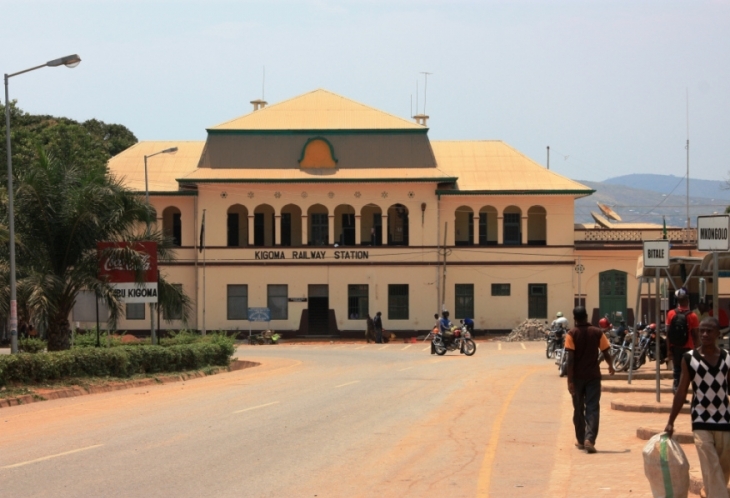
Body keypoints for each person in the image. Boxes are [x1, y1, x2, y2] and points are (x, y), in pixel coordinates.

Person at [666, 317, 730, 497]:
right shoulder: (690, 359)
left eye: (709, 331)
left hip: (724, 419)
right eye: (702, 330)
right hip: (701, 419)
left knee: (724, 467)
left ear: (718, 334)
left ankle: (708, 491)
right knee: (711, 464)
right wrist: (671, 421)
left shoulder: (726, 359)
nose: (704, 334)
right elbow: (681, 391)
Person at [565, 306, 615, 454]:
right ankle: (589, 439)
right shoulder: (597, 332)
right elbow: (606, 351)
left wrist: (570, 381)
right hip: (593, 376)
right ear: (587, 316)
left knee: (578, 408)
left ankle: (581, 440)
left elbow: (570, 359)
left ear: (575, 319)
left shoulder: (571, 334)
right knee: (592, 407)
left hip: (577, 378)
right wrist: (611, 366)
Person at [666, 288, 700, 394]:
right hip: (688, 347)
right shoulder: (693, 316)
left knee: (677, 369)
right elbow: (695, 335)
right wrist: (698, 349)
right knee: (687, 372)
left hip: (675, 347)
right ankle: (683, 394)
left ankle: (676, 389)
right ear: (687, 301)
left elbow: (668, 334)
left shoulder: (671, 314)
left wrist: (669, 350)